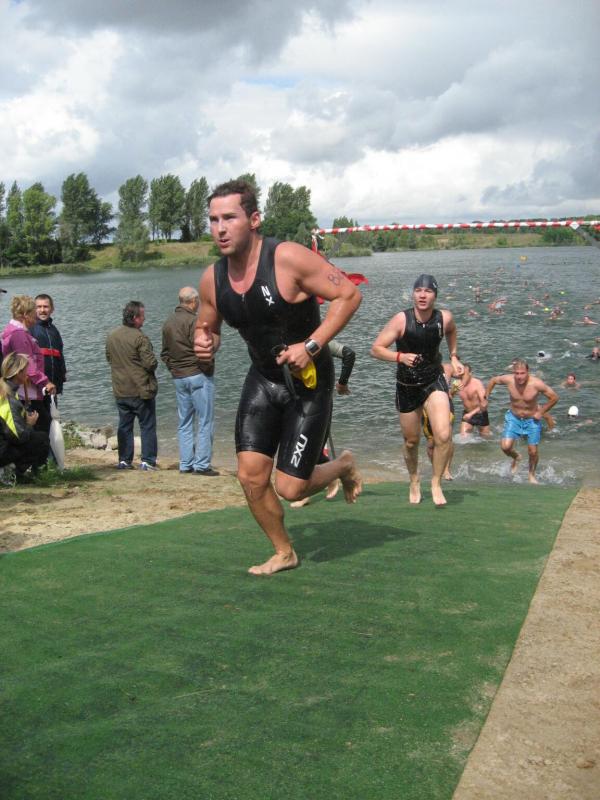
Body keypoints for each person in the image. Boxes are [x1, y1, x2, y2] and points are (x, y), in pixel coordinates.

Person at [193, 179, 362, 576]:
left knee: (290, 488)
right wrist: (205, 342)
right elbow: (207, 326)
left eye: (229, 218)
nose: (220, 228)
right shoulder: (212, 279)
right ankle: (284, 551)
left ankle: (342, 465)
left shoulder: (287, 258)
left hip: (309, 381)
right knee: (250, 478)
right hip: (263, 379)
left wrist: (313, 345)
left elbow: (349, 295)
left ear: (254, 219)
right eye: (214, 220)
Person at [371, 273, 464, 506]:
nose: (422, 295)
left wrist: (454, 356)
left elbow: (452, 331)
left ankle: (436, 482)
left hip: (434, 380)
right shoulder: (401, 320)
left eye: (428, 291)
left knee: (444, 435)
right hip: (407, 386)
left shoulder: (444, 318)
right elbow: (376, 349)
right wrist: (400, 357)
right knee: (412, 441)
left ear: (435, 295)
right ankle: (414, 480)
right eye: (418, 291)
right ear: (413, 294)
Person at [290, 339, 356, 506]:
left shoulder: (317, 342)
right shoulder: (287, 341)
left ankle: (307, 492)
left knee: (309, 447)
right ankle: (331, 478)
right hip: (296, 400)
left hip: (317, 401)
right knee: (309, 448)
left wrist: (342, 383)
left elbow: (349, 354)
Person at [161, 287, 218, 476]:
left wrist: (174, 369)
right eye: (197, 301)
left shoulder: (168, 322)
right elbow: (204, 350)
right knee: (205, 420)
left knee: (184, 421)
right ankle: (201, 465)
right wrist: (207, 368)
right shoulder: (195, 322)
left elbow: (165, 354)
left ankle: (185, 464)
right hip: (197, 374)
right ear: (193, 301)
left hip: (179, 377)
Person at [486, 359, 558, 484]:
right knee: (505, 447)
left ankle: (531, 475)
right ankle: (517, 457)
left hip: (531, 420)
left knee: (533, 451)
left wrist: (541, 412)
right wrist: (486, 396)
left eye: (522, 373)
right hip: (513, 418)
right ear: (513, 372)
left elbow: (554, 398)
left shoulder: (537, 384)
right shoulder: (509, 380)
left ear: (527, 372)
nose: (519, 376)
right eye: (517, 373)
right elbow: (493, 380)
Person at [106, 301, 158, 471]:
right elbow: (150, 363)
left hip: (121, 389)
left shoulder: (112, 335)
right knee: (147, 426)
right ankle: (148, 461)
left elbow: (109, 358)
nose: (144, 318)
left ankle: (124, 460)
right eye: (143, 316)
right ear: (135, 317)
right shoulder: (140, 337)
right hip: (140, 389)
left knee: (125, 426)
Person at [1, 295, 56, 436]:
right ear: (25, 315)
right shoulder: (18, 335)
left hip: (22, 389)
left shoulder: (14, 331)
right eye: (33, 312)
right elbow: (27, 364)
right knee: (43, 426)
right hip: (26, 392)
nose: (36, 316)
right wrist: (45, 382)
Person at [0, 352, 50, 481]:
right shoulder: (8, 398)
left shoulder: (6, 390)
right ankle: (13, 474)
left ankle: (9, 470)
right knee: (41, 438)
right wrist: (29, 424)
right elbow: (18, 437)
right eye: (26, 371)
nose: (27, 374)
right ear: (18, 373)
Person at [30, 294, 67, 407]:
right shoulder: (30, 329)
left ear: (52, 309)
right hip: (36, 387)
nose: (42, 310)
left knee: (52, 416)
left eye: (45, 307)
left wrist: (62, 376)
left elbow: (59, 354)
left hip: (52, 386)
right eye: (39, 307)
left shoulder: (54, 330)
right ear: (34, 309)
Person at [456, 363, 491, 436]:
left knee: (486, 439)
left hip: (481, 414)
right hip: (467, 414)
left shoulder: (477, 384)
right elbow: (449, 396)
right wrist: (452, 391)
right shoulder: (457, 384)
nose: (462, 376)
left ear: (470, 373)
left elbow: (485, 403)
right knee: (463, 438)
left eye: (464, 374)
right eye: (460, 374)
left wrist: (471, 414)